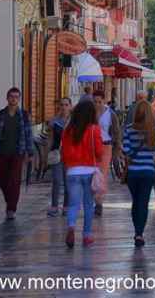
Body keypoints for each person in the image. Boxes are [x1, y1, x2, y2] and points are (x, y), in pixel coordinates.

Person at [60, 100, 104, 248]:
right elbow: (99, 152)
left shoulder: (68, 129)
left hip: (72, 171)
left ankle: (71, 226)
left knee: (73, 204)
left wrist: (69, 164)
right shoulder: (94, 129)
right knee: (88, 205)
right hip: (89, 171)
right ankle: (86, 235)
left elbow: (64, 151)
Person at [122, 100, 155, 247]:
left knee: (136, 202)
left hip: (133, 172)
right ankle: (140, 234)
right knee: (144, 202)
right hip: (148, 171)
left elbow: (126, 151)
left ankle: (137, 231)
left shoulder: (128, 129)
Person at [0, 87, 34, 220]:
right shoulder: (0, 115)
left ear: (19, 99)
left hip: (18, 152)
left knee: (14, 180)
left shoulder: (24, 116)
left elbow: (28, 134)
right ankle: (9, 201)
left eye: (16, 97)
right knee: (3, 180)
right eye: (11, 97)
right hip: (3, 151)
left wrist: (30, 152)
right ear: (7, 98)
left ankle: (11, 208)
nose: (14, 99)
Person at [93, 89, 120, 217]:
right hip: (91, 147)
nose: (97, 104)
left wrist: (116, 149)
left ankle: (99, 203)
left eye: (99, 101)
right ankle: (93, 200)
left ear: (104, 100)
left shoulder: (110, 114)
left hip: (106, 146)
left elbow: (116, 131)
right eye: (95, 101)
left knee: (102, 175)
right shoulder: (90, 114)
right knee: (92, 174)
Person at [46, 98, 72, 217]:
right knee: (56, 180)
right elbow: (50, 137)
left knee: (68, 182)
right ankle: (54, 206)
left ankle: (66, 206)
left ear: (70, 106)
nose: (64, 107)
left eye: (66, 105)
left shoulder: (74, 121)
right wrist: (47, 151)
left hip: (69, 154)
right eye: (62, 105)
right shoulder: (53, 121)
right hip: (56, 153)